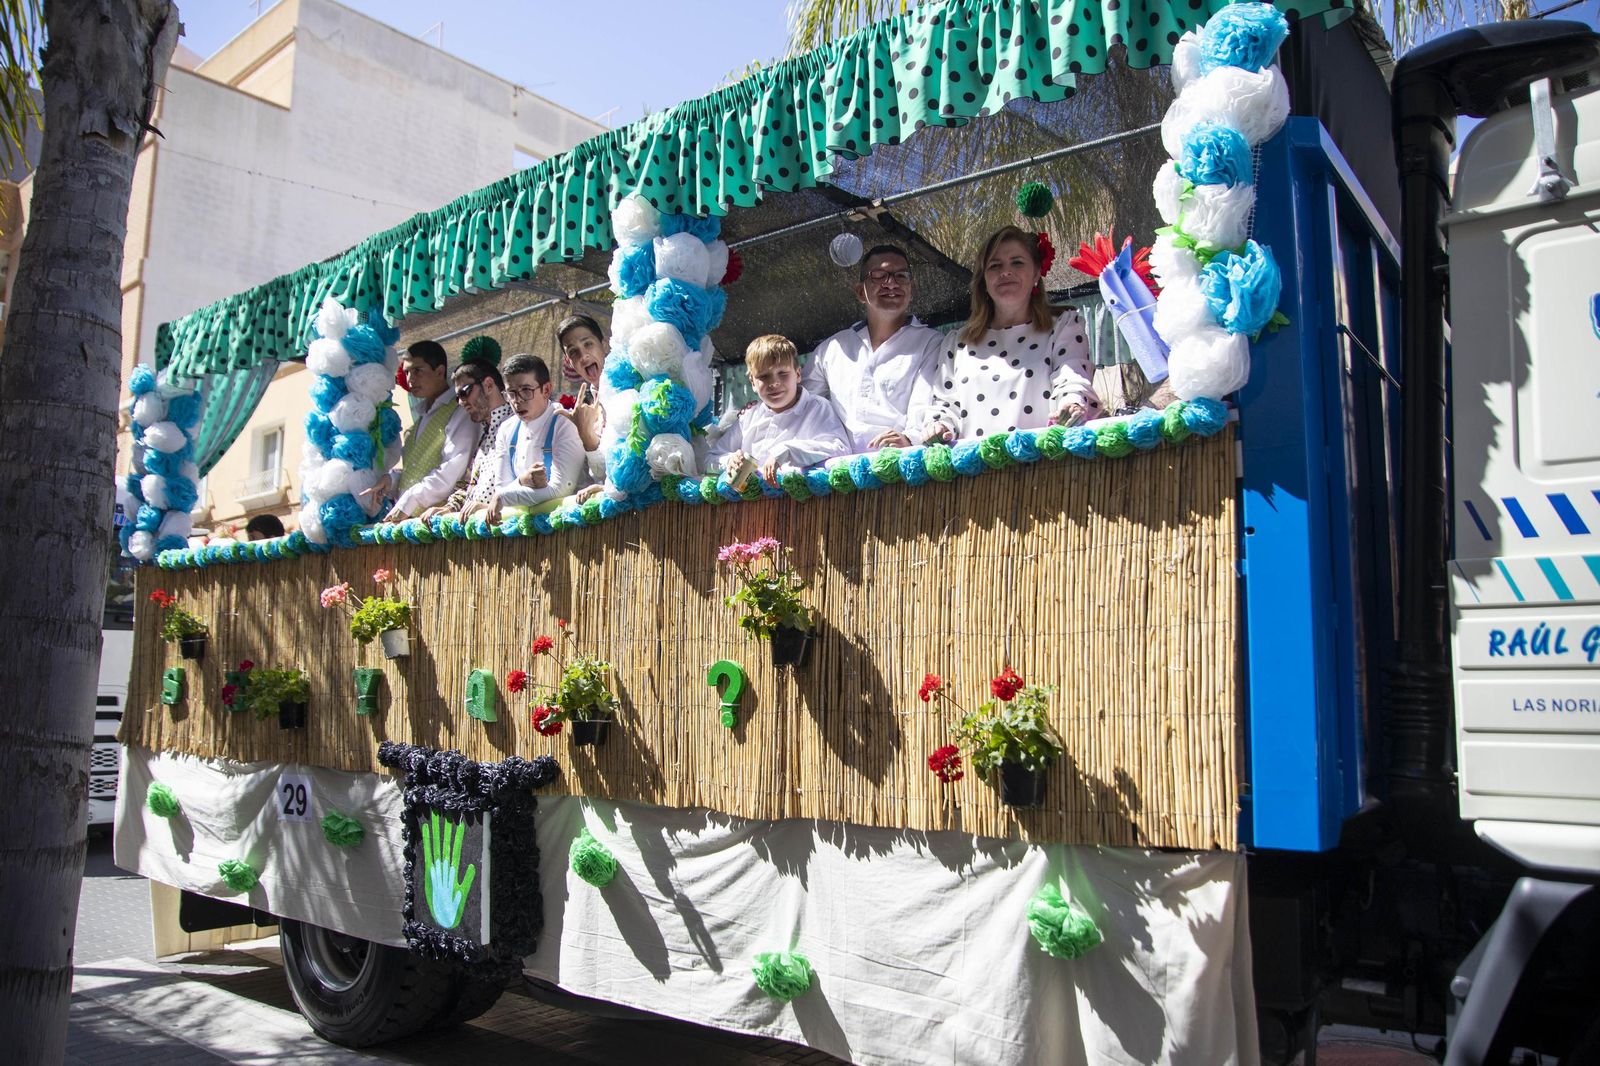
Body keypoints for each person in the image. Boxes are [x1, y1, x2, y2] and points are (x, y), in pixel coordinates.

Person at [918, 226, 1101, 442]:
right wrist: (938, 426)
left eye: (1017, 262)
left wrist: (1071, 404)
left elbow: (1071, 379)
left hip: (1047, 466)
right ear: (983, 280)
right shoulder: (957, 343)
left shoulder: (1064, 327)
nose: (1006, 272)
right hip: (975, 470)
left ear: (1035, 273)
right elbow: (945, 405)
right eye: (995, 265)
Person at [803, 245, 945, 452]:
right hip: (839, 471)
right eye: (878, 275)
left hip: (901, 465)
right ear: (861, 292)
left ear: (911, 289)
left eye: (901, 276)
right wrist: (759, 411)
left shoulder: (932, 343)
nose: (891, 283)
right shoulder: (833, 348)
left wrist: (909, 437)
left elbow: (924, 406)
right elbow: (800, 405)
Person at [709, 335, 850, 486]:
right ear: (753, 383)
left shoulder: (817, 408)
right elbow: (711, 458)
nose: (774, 382)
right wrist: (729, 461)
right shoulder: (749, 417)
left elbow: (840, 449)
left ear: (797, 374)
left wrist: (787, 451)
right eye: (764, 376)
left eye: (783, 373)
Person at [380, 339, 479, 519]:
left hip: (442, 526)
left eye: (417, 371)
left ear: (440, 371)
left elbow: (452, 469)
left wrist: (410, 501)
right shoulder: (417, 422)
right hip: (412, 526)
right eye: (407, 372)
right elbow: (414, 471)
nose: (410, 379)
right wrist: (391, 481)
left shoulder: (460, 411)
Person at [487, 354, 585, 521]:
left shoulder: (564, 422)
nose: (517, 401)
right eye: (511, 393)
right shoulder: (506, 429)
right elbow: (501, 487)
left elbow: (560, 490)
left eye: (526, 390)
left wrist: (504, 498)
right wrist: (522, 481)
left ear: (546, 390)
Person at [421, 357, 513, 521]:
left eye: (465, 392)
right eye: (458, 398)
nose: (462, 402)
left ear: (489, 385)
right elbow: (470, 485)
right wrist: (449, 507)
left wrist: (492, 507)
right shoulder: (484, 436)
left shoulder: (517, 424)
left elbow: (529, 480)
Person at [553, 314, 608, 485]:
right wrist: (585, 434)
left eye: (588, 344)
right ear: (569, 361)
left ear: (605, 345)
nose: (583, 356)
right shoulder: (588, 408)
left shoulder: (634, 385)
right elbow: (601, 474)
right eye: (573, 352)